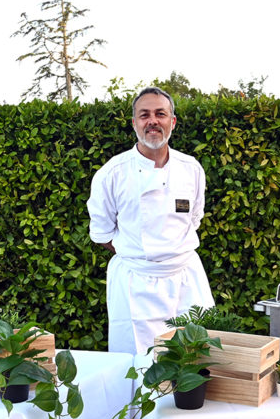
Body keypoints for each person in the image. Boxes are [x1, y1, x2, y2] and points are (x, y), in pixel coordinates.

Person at [87, 86, 214, 356]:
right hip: (135, 284)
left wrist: (170, 254)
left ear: (173, 122)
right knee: (138, 365)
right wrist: (141, 255)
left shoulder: (191, 168)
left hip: (187, 279)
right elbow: (101, 233)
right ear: (134, 123)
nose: (152, 121)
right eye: (144, 115)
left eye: (160, 114)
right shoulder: (112, 173)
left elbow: (194, 219)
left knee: (197, 358)